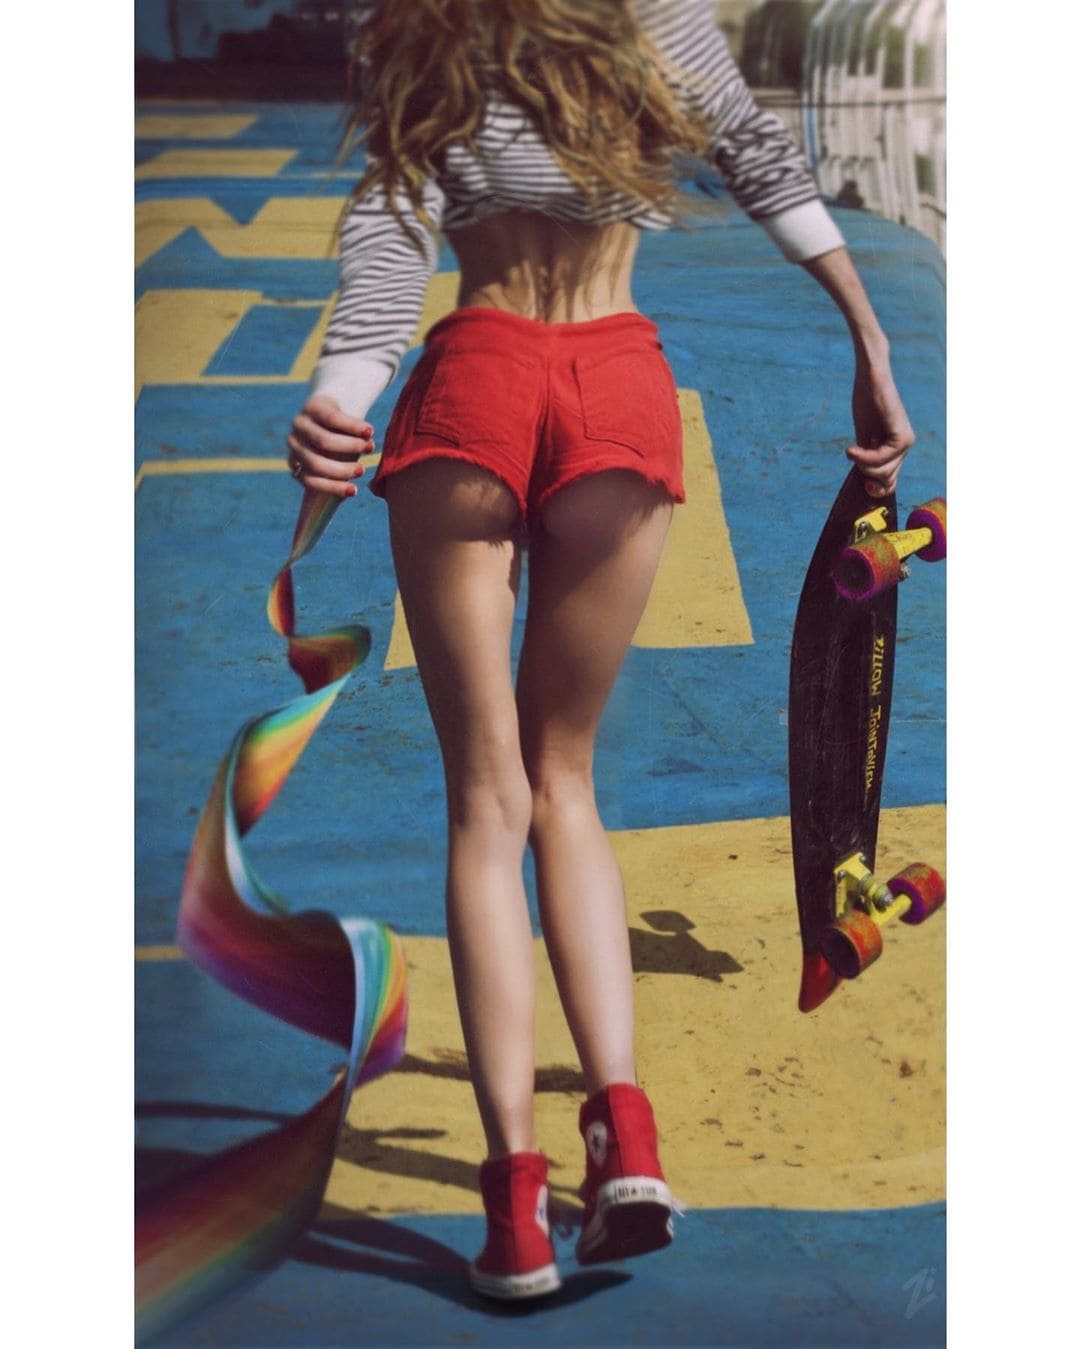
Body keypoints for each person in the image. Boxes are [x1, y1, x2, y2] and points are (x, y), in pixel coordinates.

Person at [285, 0, 915, 1301]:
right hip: (616, 385)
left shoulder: (424, 29)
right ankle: (625, 1136)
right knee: (564, 780)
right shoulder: (653, 17)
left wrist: (341, 400)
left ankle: (514, 1203)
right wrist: (867, 331)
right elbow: (755, 152)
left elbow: (390, 245)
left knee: (487, 802)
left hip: (474, 381)